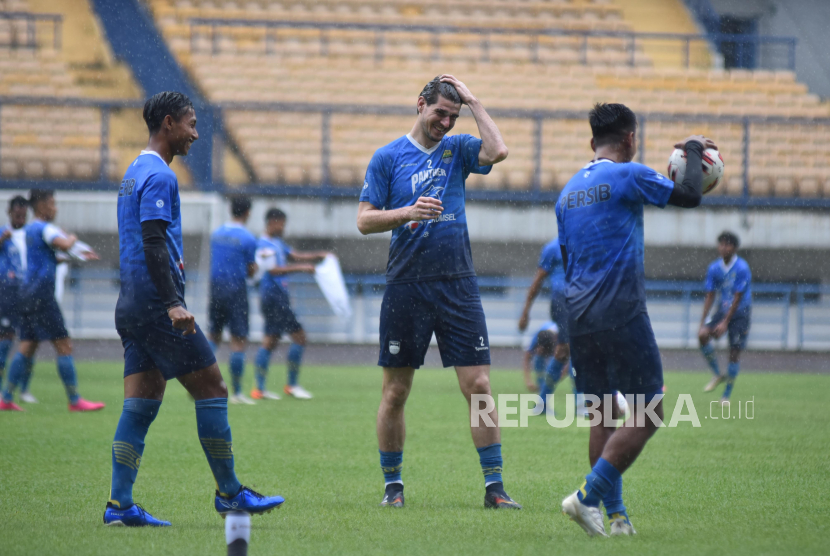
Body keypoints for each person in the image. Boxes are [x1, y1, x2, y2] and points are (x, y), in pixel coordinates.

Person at [104, 91, 284, 527]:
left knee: (141, 404)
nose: (196, 134)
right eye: (191, 124)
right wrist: (172, 304)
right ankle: (230, 493)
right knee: (213, 389)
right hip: (153, 305)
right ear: (168, 123)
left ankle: (120, 506)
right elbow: (152, 242)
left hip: (131, 304)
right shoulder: (160, 177)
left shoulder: (133, 171)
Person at [357, 74, 521, 510]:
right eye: (440, 113)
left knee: (480, 386)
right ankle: (393, 486)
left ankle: (495, 488)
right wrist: (408, 211)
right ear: (420, 105)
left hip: (458, 284)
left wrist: (474, 101)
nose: (446, 123)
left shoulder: (459, 148)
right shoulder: (388, 157)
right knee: (395, 392)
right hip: (407, 285)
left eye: (453, 115)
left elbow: (498, 151)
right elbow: (364, 220)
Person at [556, 103, 712, 536]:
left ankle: (617, 517)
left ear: (592, 143)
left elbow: (568, 261)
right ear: (630, 139)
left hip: (579, 316)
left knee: (602, 414)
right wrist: (695, 150)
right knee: (653, 409)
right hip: (621, 310)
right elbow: (691, 196)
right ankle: (586, 498)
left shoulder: (567, 192)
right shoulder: (629, 174)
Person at [0, 190, 105, 412]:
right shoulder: (45, 228)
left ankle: (6, 398)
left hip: (26, 294)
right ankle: (75, 400)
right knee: (64, 344)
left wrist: (68, 254)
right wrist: (73, 238)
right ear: (41, 206)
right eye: (53, 204)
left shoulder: (29, 229)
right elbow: (64, 244)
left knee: (27, 346)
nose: (55, 208)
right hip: (41, 295)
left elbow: (43, 257)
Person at [252, 208, 328, 401]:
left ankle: (259, 389)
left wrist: (317, 256)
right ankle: (291, 385)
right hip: (274, 297)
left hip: (274, 297)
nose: (284, 227)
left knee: (270, 340)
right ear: (273, 222)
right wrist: (303, 268)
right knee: (300, 337)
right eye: (282, 223)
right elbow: (274, 271)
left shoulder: (277, 243)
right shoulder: (264, 245)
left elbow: (293, 255)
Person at [208, 196, 258, 405]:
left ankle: (201, 385)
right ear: (247, 212)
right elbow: (251, 270)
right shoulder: (248, 238)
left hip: (216, 288)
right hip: (236, 289)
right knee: (238, 340)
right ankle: (237, 392)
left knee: (214, 336)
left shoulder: (216, 234)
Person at [518, 239, 576, 410]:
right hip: (562, 301)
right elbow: (538, 281)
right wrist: (525, 312)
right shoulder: (553, 248)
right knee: (569, 349)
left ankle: (543, 402)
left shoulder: (588, 242)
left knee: (566, 352)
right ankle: (581, 403)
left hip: (585, 300)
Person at [699, 231, 751, 404]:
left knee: (734, 352)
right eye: (721, 244)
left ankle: (726, 395)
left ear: (734, 248)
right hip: (723, 309)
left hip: (740, 312)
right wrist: (702, 322)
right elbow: (710, 295)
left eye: (727, 244)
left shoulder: (742, 268)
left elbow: (738, 297)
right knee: (703, 335)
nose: (723, 247)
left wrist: (724, 323)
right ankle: (717, 374)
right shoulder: (714, 268)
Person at [0, 196, 28, 396]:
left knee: (30, 340)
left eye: (23, 215)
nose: (20, 218)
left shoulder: (30, 235)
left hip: (26, 294)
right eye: (17, 214)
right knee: (6, 340)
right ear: (9, 213)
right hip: (6, 295)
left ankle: (23, 389)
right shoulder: (4, 233)